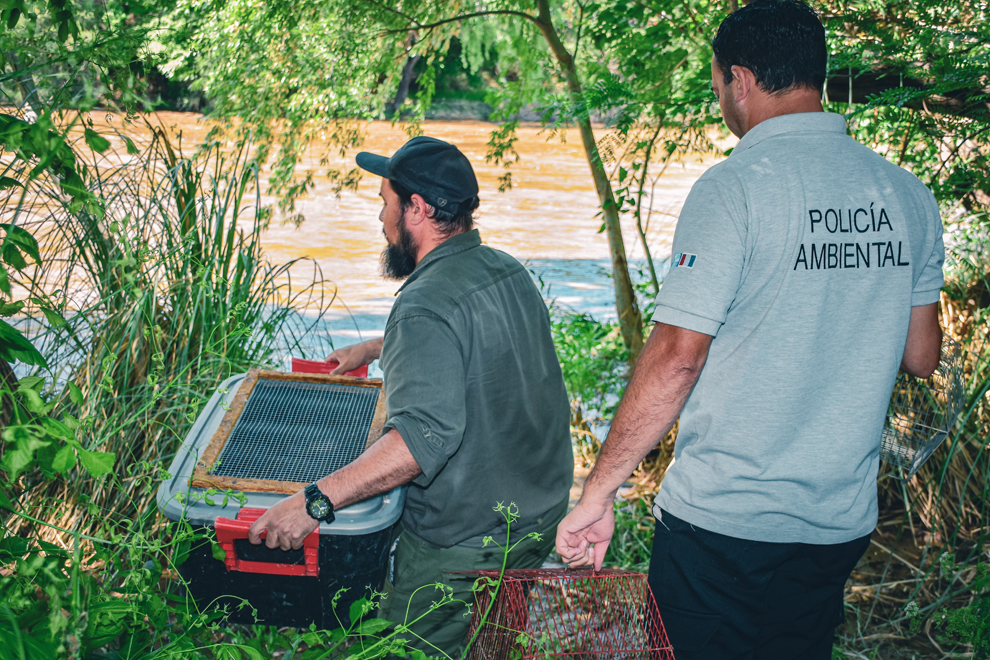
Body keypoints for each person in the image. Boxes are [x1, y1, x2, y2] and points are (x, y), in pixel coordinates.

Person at [556, 2, 944, 658]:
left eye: (716, 88)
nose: (721, 103)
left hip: (723, 525)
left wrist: (600, 489)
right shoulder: (906, 195)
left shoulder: (735, 188)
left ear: (740, 80)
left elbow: (678, 357)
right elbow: (921, 353)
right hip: (836, 524)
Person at [248, 136, 574, 657]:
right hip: (536, 516)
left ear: (416, 210)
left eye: (385, 203)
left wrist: (312, 502)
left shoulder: (424, 304)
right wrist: (379, 346)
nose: (381, 218)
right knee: (488, 647)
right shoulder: (505, 268)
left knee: (403, 649)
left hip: (467, 541)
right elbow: (482, 348)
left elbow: (421, 440)